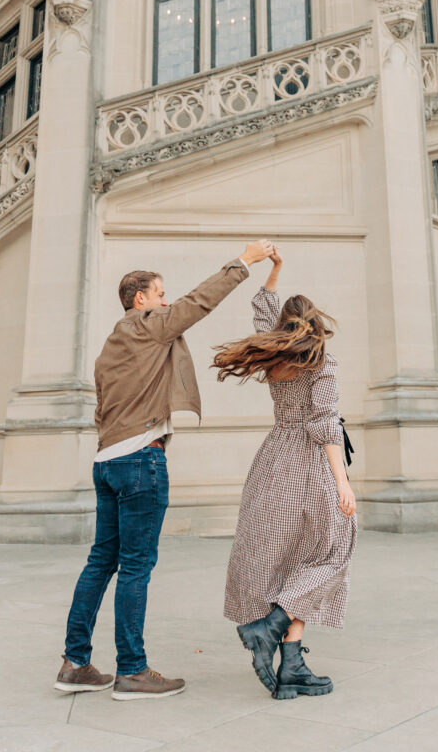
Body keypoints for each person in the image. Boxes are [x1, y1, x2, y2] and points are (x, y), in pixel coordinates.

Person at [54, 240, 275, 700]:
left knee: (101, 562)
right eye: (159, 293)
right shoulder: (149, 326)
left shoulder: (110, 347)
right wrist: (245, 262)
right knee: (136, 567)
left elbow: (103, 409)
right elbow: (198, 303)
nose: (165, 300)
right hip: (140, 462)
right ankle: (132, 671)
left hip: (107, 462)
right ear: (141, 300)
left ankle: (75, 664)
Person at [213, 247, 356, 699]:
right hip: (310, 462)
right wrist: (343, 482)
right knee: (334, 550)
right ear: (315, 324)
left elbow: (262, 309)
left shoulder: (274, 356)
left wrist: (274, 269)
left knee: (293, 560)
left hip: (274, 458)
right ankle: (269, 627)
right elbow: (325, 424)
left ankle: (291, 665)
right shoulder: (321, 362)